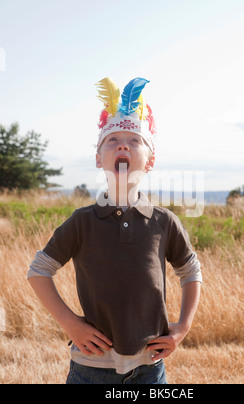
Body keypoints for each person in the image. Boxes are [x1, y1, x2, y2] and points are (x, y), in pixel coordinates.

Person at [27, 77, 202, 385]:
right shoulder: (82, 222)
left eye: (135, 141)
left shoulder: (164, 222)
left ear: (150, 161)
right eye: (112, 140)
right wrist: (70, 324)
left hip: (150, 368)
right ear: (98, 159)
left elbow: (191, 272)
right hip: (89, 368)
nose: (123, 144)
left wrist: (183, 326)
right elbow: (39, 270)